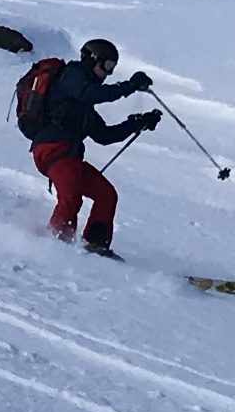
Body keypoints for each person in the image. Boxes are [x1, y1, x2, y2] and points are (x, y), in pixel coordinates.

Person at [19, 38, 162, 255]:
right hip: (52, 149)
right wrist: (129, 87)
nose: (108, 74)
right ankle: (56, 245)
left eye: (112, 68)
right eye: (107, 66)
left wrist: (139, 123)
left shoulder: (82, 107)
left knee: (106, 194)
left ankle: (95, 246)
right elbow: (90, 94)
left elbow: (104, 135)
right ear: (92, 60)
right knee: (71, 196)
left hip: (69, 156)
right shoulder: (71, 76)